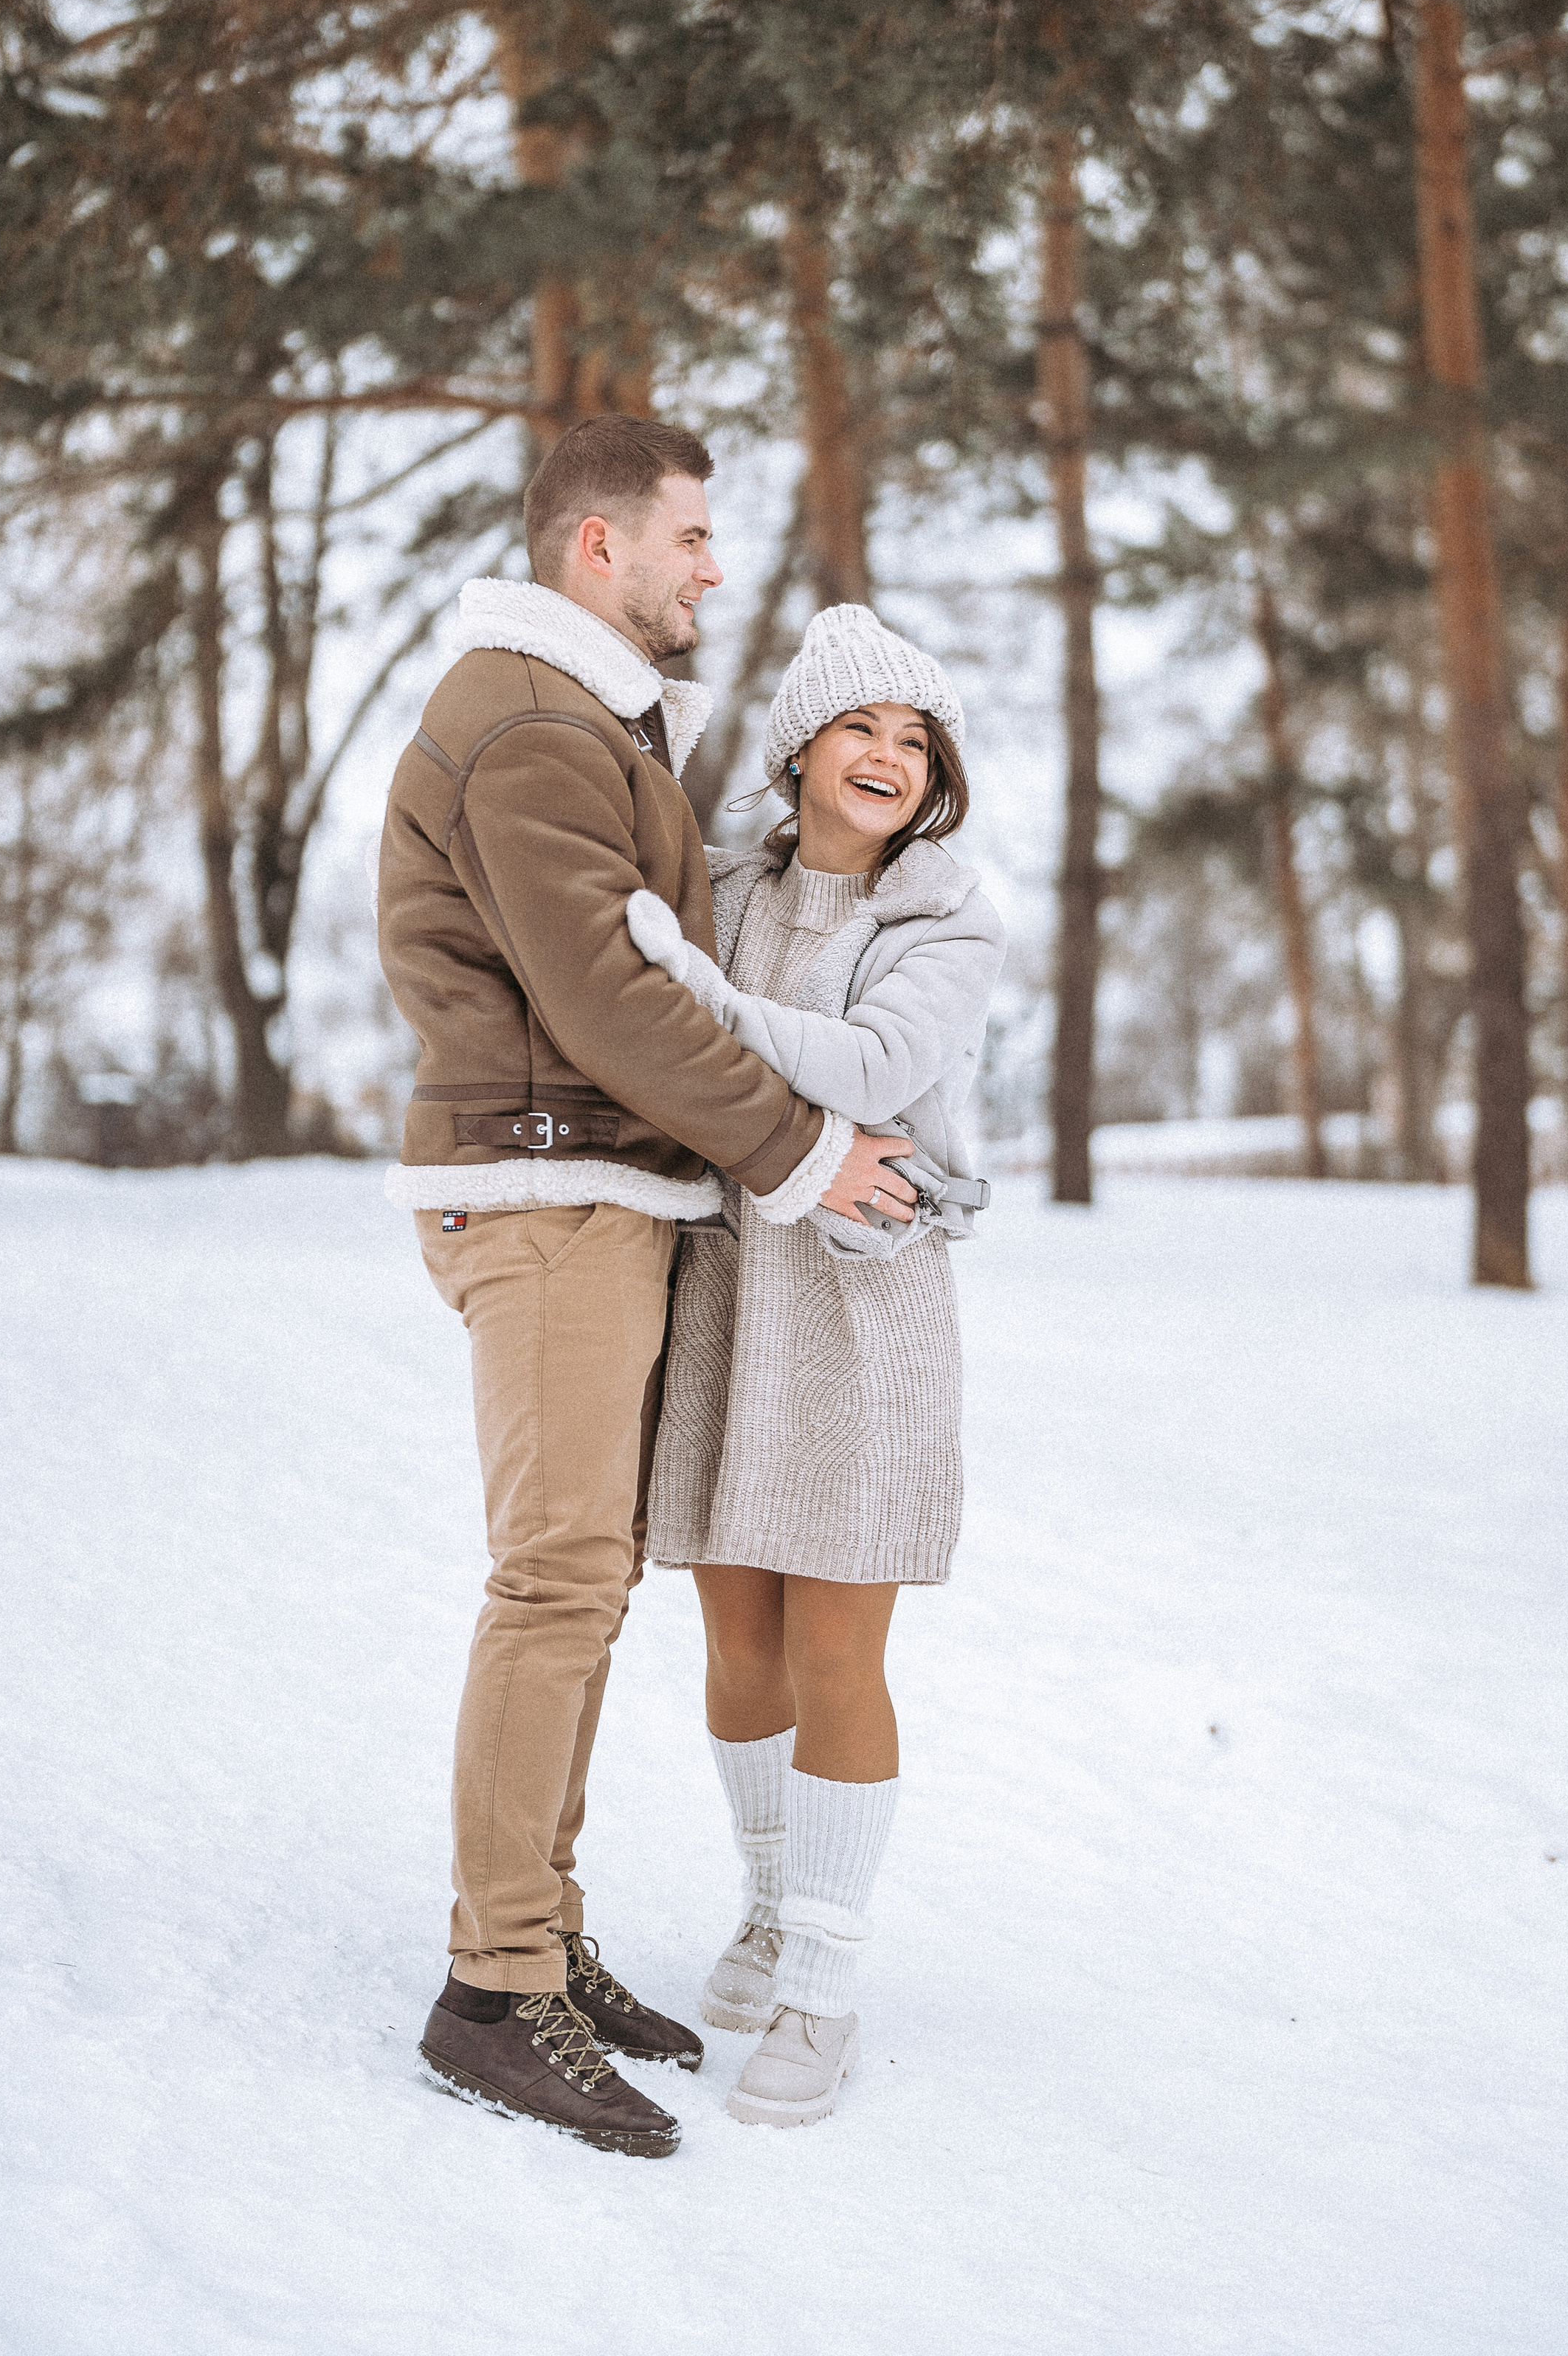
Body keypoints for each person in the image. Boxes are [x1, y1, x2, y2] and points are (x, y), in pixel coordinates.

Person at [376, 418, 916, 2159]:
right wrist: (797, 1149)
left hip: (589, 1187)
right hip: (539, 1194)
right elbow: (609, 995)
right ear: (595, 549)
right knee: (553, 1585)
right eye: (688, 537)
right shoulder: (528, 721)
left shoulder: (579, 718)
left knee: (588, 1585)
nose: (711, 566)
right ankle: (491, 1987)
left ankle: (544, 1935)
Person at [624, 604, 1004, 2128]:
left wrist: (686, 986)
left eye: (915, 741)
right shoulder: (716, 887)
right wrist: (673, 957)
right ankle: (770, 1909)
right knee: (739, 1648)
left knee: (841, 1654)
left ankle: (826, 1989)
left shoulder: (946, 921)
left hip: (864, 1303)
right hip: (727, 1289)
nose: (889, 759)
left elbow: (858, 1078)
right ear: (797, 748)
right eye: (861, 727)